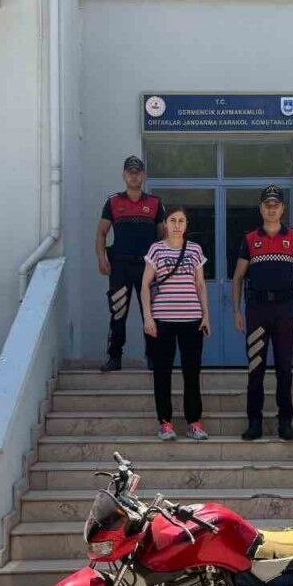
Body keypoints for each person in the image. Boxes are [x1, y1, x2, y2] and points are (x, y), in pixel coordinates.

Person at [230, 185, 293, 441]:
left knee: (285, 368)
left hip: (285, 311)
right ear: (261, 208)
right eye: (268, 205)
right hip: (257, 311)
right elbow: (237, 278)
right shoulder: (249, 239)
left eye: (276, 205)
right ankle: (254, 422)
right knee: (256, 368)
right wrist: (236, 311)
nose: (272, 209)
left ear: (282, 208)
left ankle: (285, 422)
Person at [141, 207, 211, 441]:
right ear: (165, 223)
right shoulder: (156, 249)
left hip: (192, 320)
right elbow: (145, 285)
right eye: (173, 220)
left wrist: (206, 315)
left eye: (181, 220)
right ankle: (165, 423)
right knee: (162, 372)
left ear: (186, 224)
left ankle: (194, 422)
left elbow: (200, 284)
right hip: (163, 320)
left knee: (192, 372)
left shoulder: (195, 250)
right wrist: (148, 317)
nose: (177, 225)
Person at [96, 156, 166, 372]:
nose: (134, 176)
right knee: (118, 312)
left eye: (137, 172)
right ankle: (114, 358)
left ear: (143, 176)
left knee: (151, 312)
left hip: (148, 267)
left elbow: (163, 236)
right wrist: (101, 258)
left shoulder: (155, 203)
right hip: (120, 266)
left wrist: (163, 263)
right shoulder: (113, 202)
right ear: (124, 175)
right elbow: (101, 233)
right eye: (130, 172)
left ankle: (154, 358)